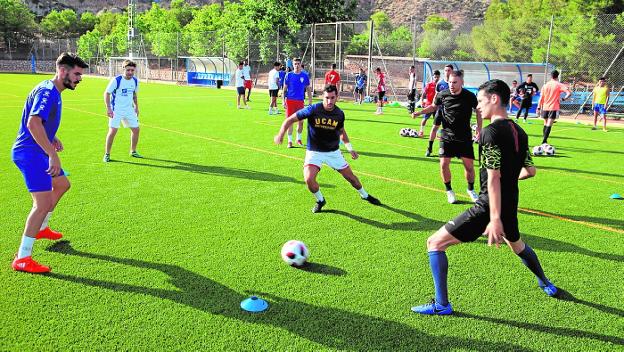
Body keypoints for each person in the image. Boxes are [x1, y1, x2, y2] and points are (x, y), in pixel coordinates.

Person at [411, 79, 558, 316]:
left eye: (480, 101)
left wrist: (494, 217)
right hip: (510, 202)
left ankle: (442, 305)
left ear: (494, 99)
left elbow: (493, 178)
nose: (478, 107)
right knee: (518, 246)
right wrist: (508, 182)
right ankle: (545, 282)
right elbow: (530, 171)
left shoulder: (489, 133)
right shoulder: (519, 131)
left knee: (434, 243)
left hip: (489, 206)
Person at [11, 52, 88, 273]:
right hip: (30, 153)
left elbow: (39, 123)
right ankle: (23, 258)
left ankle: (42, 228)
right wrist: (52, 153)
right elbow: (33, 123)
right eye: (76, 74)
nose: (79, 79)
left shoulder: (52, 89)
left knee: (62, 184)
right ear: (63, 71)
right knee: (41, 204)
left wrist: (51, 136)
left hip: (37, 150)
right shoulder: (47, 91)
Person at [274, 85, 381, 213]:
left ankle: (365, 195)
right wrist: (281, 134)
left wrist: (350, 148)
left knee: (352, 179)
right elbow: (290, 119)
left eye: (332, 98)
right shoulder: (313, 109)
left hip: (333, 152)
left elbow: (342, 132)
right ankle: (320, 200)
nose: (329, 101)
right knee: (309, 179)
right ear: (322, 97)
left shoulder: (339, 114)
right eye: (327, 98)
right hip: (314, 151)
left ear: (337, 98)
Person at [412, 70, 481, 204]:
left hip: (464, 137)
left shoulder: (470, 96)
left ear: (462, 82)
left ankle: (470, 190)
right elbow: (433, 107)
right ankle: (449, 191)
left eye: (455, 82)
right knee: (443, 164)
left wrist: (479, 127)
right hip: (446, 136)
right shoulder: (442, 95)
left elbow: (478, 111)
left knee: (469, 167)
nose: (451, 85)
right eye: (450, 82)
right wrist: (419, 112)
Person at [103, 59, 142, 162]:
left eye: (132, 70)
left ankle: (133, 151)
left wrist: (136, 107)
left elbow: (134, 94)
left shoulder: (135, 81)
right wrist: (108, 108)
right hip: (116, 110)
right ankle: (107, 154)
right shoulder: (117, 80)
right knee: (113, 131)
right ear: (123, 68)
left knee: (136, 129)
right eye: (128, 70)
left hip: (129, 109)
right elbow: (106, 93)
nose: (130, 72)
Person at [282, 58, 312, 148]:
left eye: (298, 64)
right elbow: (284, 90)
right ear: (293, 65)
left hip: (300, 102)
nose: (297, 65)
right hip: (290, 101)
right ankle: (290, 141)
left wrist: (310, 101)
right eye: (295, 64)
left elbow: (308, 89)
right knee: (290, 121)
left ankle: (298, 139)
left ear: (300, 64)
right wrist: (283, 101)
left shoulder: (305, 75)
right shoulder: (289, 75)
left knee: (301, 122)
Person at [425, 64, 453, 156]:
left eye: (449, 70)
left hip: (450, 112)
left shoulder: (455, 83)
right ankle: (429, 148)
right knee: (434, 128)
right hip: (440, 110)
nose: (447, 72)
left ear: (452, 71)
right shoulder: (440, 84)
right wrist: (433, 106)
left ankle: (445, 148)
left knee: (449, 131)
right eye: (445, 70)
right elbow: (436, 97)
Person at [537, 70, 571, 145]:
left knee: (545, 123)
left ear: (551, 76)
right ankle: (544, 141)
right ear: (557, 76)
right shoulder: (559, 85)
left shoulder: (545, 85)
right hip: (553, 107)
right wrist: (563, 99)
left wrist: (539, 107)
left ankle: (544, 140)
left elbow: (541, 98)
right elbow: (569, 93)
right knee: (549, 124)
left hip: (545, 107)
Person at [417, 70, 440, 137]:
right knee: (425, 118)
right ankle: (421, 131)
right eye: (435, 77)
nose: (436, 78)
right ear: (433, 77)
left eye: (437, 77)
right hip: (429, 105)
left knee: (437, 121)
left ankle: (437, 134)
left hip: (437, 106)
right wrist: (421, 101)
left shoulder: (440, 85)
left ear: (439, 77)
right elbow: (424, 94)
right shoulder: (429, 85)